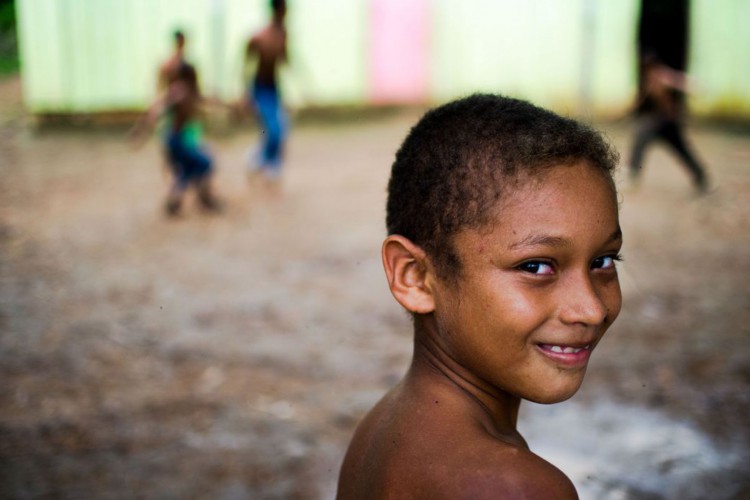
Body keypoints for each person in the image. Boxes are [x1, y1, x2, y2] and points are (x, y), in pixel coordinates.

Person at [337, 94, 624, 498]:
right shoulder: (513, 488)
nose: (591, 309)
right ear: (415, 277)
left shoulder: (385, 427)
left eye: (604, 260)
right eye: (536, 267)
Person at [132, 61, 222, 216]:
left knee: (188, 169)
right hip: (176, 140)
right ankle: (203, 198)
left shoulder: (190, 91)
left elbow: (207, 100)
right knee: (204, 163)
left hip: (179, 139)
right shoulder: (180, 91)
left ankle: (178, 201)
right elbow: (158, 108)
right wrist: (142, 131)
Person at [628, 52, 709, 193]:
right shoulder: (650, 79)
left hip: (667, 122)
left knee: (681, 149)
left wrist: (691, 88)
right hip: (656, 122)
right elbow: (641, 100)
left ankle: (700, 176)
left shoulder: (663, 76)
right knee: (640, 139)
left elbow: (682, 82)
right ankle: (632, 174)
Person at [243, 0, 289, 186]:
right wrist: (246, 93)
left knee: (280, 128)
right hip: (260, 88)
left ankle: (270, 167)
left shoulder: (283, 34)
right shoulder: (259, 38)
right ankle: (257, 160)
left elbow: (286, 60)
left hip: (274, 88)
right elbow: (247, 66)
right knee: (273, 129)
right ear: (278, 11)